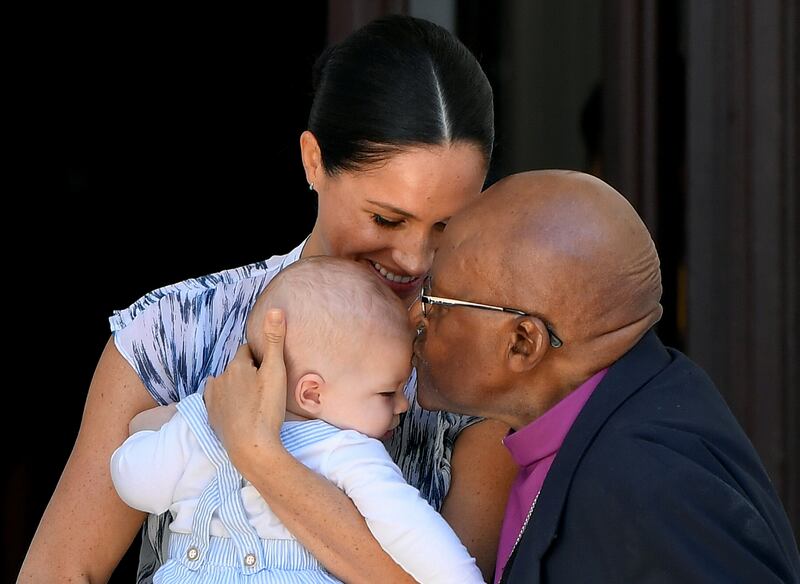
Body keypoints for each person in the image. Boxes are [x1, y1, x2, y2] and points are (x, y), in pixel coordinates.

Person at [19, 15, 516, 584]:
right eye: (386, 218)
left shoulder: (480, 366)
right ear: (313, 161)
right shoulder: (175, 332)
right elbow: (61, 570)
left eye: (447, 226)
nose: (415, 259)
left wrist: (260, 456)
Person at [409, 170, 800, 583]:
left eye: (436, 300)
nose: (419, 315)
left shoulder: (647, 488)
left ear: (524, 342)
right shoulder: (628, 406)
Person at [111, 257, 484, 583]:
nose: (403, 405)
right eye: (388, 392)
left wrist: (186, 418)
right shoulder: (347, 450)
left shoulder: (204, 424)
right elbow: (415, 535)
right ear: (312, 393)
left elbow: (134, 483)